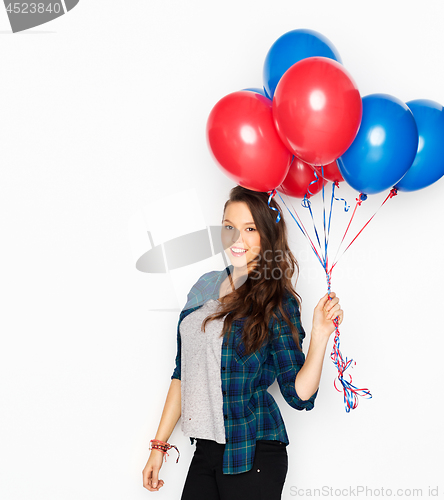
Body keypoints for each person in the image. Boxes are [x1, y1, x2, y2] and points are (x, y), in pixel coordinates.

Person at [142, 186, 343, 499]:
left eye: (249, 229)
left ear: (266, 233)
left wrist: (319, 335)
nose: (237, 238)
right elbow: (184, 374)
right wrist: (159, 446)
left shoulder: (277, 300)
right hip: (207, 451)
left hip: (254, 450)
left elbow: (298, 395)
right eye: (229, 227)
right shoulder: (204, 286)